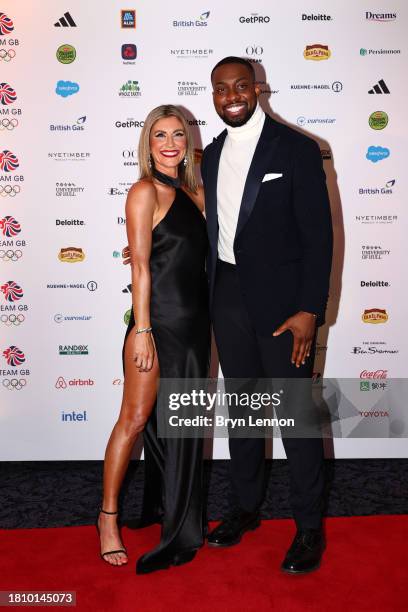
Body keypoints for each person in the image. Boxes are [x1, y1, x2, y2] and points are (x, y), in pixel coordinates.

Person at [201, 57, 333, 574]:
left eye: (239, 86)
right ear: (212, 95)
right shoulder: (210, 155)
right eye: (220, 89)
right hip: (228, 295)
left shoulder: (297, 149)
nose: (230, 95)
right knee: (245, 411)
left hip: (284, 306)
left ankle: (308, 529)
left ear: (258, 88)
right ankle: (246, 507)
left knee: (296, 419)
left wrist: (309, 311)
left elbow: (319, 238)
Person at [97, 105, 210, 575]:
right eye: (160, 135)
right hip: (157, 322)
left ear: (188, 143)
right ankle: (107, 518)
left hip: (194, 327)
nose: (169, 143)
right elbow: (141, 266)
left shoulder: (195, 195)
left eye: (177, 135)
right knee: (135, 419)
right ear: (148, 143)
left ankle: (173, 512)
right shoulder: (144, 191)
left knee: (182, 423)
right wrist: (142, 330)